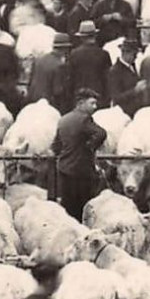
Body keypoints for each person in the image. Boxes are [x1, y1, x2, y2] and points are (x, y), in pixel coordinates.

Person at [53, 89, 106, 220]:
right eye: (92, 103)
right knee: (83, 207)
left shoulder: (63, 119)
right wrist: (90, 147)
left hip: (64, 169)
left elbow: (56, 145)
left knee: (68, 208)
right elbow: (101, 133)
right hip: (81, 170)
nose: (95, 107)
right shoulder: (84, 119)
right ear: (81, 103)